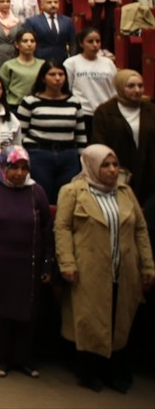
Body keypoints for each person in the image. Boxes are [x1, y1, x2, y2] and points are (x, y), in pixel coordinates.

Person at [54, 145, 155, 393]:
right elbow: (62, 229)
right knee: (91, 321)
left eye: (115, 164)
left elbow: (140, 230)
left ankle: (114, 372)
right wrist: (67, 262)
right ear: (91, 165)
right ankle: (89, 372)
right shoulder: (72, 192)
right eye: (106, 165)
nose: (112, 170)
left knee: (118, 320)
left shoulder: (126, 192)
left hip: (124, 268)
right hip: (89, 269)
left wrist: (147, 265)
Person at [0, 146, 53, 379]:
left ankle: (23, 359)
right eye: (13, 167)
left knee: (27, 312)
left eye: (23, 167)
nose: (18, 173)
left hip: (28, 265)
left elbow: (47, 229)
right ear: (2, 166)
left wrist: (47, 263)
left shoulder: (36, 192)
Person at [17, 61, 88, 202]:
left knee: (67, 199)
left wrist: (83, 162)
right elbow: (20, 134)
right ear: (43, 78)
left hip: (68, 156)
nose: (57, 78)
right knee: (41, 197)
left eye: (61, 74)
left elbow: (80, 135)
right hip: (39, 155)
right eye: (52, 74)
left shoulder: (74, 101)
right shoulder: (30, 101)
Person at [90, 70, 154, 203]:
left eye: (140, 86)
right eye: (131, 86)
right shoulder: (105, 111)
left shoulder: (151, 110)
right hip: (117, 172)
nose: (137, 90)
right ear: (119, 86)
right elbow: (98, 144)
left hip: (149, 173)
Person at [64, 27, 117, 142]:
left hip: (105, 114)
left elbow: (114, 90)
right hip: (83, 113)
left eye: (98, 41)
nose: (95, 45)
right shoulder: (71, 63)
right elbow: (66, 90)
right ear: (81, 43)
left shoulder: (108, 63)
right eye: (90, 41)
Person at [0, 30, 43, 110]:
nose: (29, 44)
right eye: (25, 41)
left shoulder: (43, 64)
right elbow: (2, 89)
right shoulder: (8, 65)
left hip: (38, 105)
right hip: (15, 105)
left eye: (32, 41)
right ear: (17, 44)